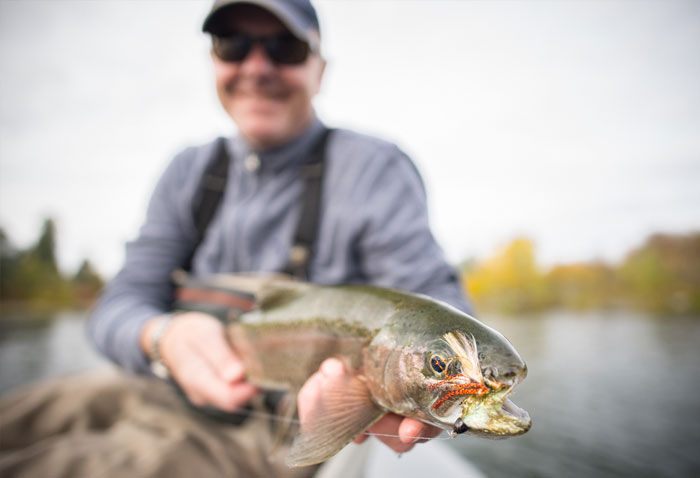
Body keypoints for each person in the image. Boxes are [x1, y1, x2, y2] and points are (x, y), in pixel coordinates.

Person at [0, 1, 472, 477]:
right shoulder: (188, 171)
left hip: (277, 434)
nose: (257, 67)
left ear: (320, 69)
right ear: (214, 61)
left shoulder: (374, 169)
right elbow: (118, 305)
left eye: (285, 48)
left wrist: (429, 376)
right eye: (234, 45)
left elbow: (434, 302)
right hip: (154, 387)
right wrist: (163, 337)